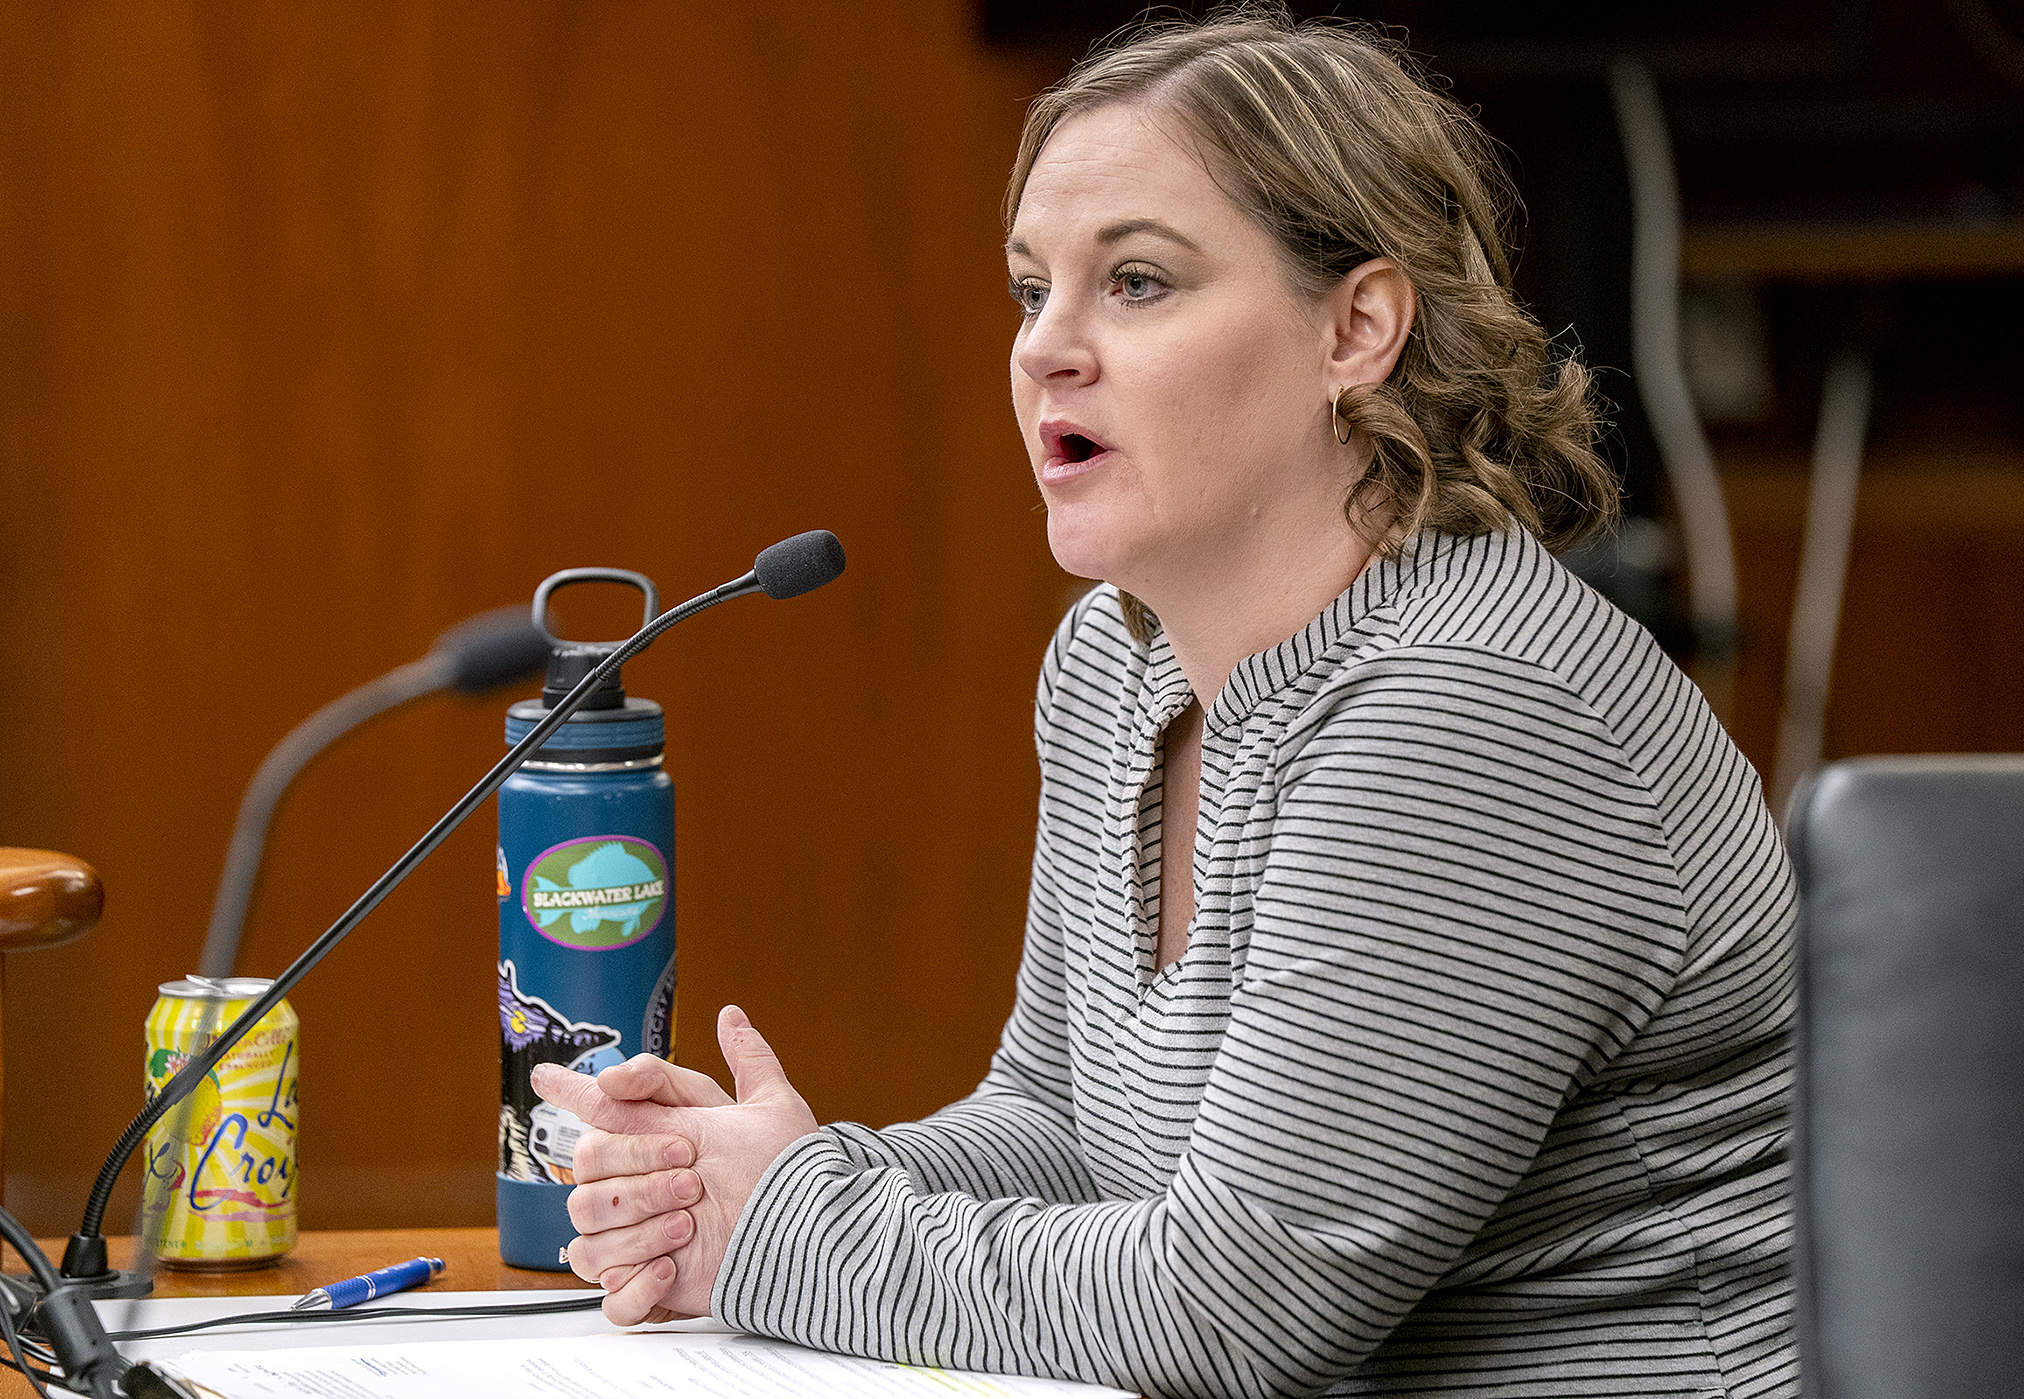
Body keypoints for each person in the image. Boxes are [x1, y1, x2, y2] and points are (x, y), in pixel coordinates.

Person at [532, 11, 1796, 1397]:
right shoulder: (1115, 666)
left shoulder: (1467, 711)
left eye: (1135, 283)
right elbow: (1067, 1123)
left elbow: (1232, 1311)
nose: (1047, 352)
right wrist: (751, 1183)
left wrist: (789, 1225)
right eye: (1031, 291)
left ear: (1357, 328)